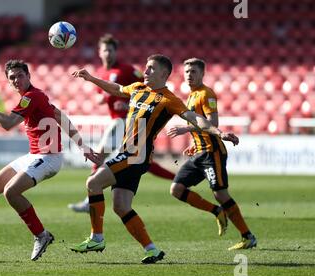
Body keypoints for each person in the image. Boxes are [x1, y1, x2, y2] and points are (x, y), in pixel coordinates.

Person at [70, 54, 239, 263]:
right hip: (130, 155)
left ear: (164, 74)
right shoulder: (138, 88)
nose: (146, 71)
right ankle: (152, 249)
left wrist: (219, 132)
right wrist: (91, 78)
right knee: (121, 206)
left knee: (93, 183)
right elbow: (116, 89)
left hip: (135, 156)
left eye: (151, 68)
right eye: (146, 67)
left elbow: (195, 118)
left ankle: (97, 237)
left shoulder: (168, 99)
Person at [0, 60, 101, 261]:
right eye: (12, 77)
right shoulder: (38, 96)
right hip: (35, 155)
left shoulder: (31, 97)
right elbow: (61, 117)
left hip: (48, 157)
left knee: (11, 192)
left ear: (29, 76)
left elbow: (7, 124)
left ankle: (42, 236)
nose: (16, 80)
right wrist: (83, 146)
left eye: (20, 75)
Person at [68, 34, 176, 213]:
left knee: (102, 154)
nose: (108, 53)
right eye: (105, 50)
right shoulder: (102, 73)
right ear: (99, 52)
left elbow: (147, 89)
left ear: (116, 52)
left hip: (125, 120)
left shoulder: (127, 70)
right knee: (137, 160)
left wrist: (126, 104)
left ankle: (90, 197)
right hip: (118, 121)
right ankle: (177, 178)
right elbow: (102, 95)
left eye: (111, 50)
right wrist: (103, 97)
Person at [167, 58, 257, 250]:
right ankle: (217, 212)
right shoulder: (191, 96)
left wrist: (185, 129)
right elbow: (199, 125)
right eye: (187, 72)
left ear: (202, 74)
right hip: (198, 153)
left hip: (212, 153)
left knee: (220, 193)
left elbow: (212, 123)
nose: (189, 75)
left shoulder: (206, 94)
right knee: (176, 189)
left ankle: (247, 236)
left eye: (193, 72)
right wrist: (193, 143)